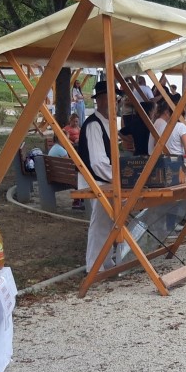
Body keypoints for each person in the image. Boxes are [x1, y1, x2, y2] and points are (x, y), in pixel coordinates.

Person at [77, 81, 116, 272]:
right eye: (110, 98)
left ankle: (106, 262)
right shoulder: (94, 125)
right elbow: (98, 163)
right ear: (100, 100)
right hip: (96, 181)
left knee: (108, 222)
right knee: (100, 222)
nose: (115, 102)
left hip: (106, 180)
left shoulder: (109, 123)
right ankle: (95, 266)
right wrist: (118, 178)